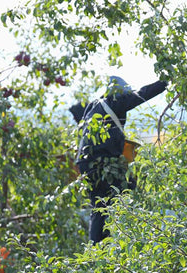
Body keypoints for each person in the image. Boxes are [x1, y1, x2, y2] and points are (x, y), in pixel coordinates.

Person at [70, 76, 168, 244]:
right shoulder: (117, 101)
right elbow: (142, 94)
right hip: (101, 163)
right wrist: (165, 82)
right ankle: (116, 240)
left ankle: (99, 245)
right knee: (127, 188)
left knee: (99, 203)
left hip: (86, 163)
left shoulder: (95, 104)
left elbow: (77, 113)